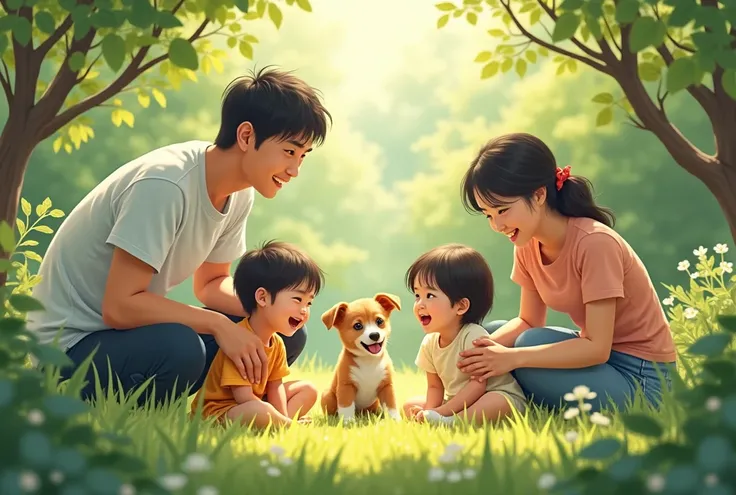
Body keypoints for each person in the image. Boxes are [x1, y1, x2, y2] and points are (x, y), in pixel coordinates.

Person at [25, 67, 332, 407]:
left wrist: (271, 307)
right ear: (246, 136)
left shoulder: (240, 193)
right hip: (70, 349)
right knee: (181, 347)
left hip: (128, 335)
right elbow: (120, 306)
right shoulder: (165, 186)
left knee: (280, 332)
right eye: (289, 152)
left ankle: (229, 408)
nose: (295, 170)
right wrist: (218, 326)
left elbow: (211, 283)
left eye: (303, 156)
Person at [456, 132, 676, 413]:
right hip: (602, 364)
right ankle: (469, 406)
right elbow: (527, 320)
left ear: (538, 195)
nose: (497, 225)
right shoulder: (526, 242)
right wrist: (471, 354)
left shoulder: (595, 243)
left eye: (503, 210)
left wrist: (511, 359)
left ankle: (508, 402)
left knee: (524, 349)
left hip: (642, 379)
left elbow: (597, 348)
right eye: (488, 214)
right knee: (488, 333)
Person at [191, 240, 321, 428]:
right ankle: (285, 425)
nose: (304, 310)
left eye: (308, 303)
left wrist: (280, 415)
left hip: (254, 403)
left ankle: (281, 424)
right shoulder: (240, 340)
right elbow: (242, 396)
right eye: (297, 299)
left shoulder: (277, 343)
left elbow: (275, 387)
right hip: (220, 412)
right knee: (259, 411)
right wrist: (275, 416)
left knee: (307, 390)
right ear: (262, 298)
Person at [402, 244, 527, 426]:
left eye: (429, 295)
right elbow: (435, 386)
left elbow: (478, 385)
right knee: (409, 405)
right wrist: (430, 411)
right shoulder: (429, 343)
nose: (420, 304)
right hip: (459, 401)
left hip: (493, 396)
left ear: (460, 306)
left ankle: (453, 421)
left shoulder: (473, 336)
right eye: (417, 294)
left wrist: (442, 411)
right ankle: (443, 419)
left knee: (495, 401)